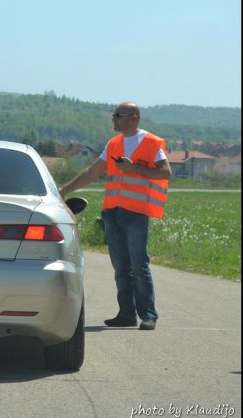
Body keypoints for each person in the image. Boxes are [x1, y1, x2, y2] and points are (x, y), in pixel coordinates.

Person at [59, 102, 171, 331]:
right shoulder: (114, 144)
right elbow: (92, 172)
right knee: (121, 267)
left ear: (134, 117)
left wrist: (135, 169)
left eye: (117, 115)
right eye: (114, 116)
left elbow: (165, 172)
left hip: (136, 212)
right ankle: (126, 314)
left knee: (139, 265)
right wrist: (65, 189)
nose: (113, 119)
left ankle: (148, 315)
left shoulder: (151, 142)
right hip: (113, 211)